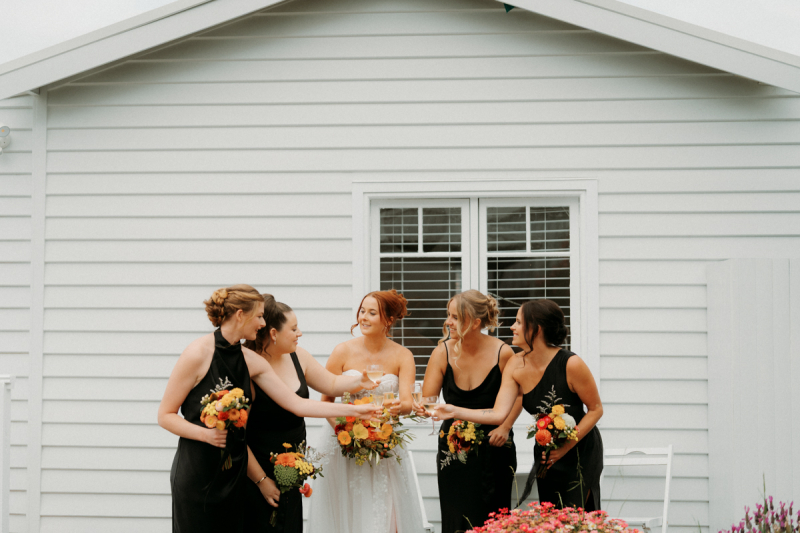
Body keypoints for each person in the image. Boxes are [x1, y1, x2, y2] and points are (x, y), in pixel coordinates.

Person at [158, 285, 380, 533]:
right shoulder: (197, 353)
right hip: (198, 471)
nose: (263, 323)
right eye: (260, 316)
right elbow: (165, 415)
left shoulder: (252, 361)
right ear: (240, 315)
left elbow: (297, 404)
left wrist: (357, 412)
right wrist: (205, 434)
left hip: (235, 477)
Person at [433, 299, 604, 510]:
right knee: (552, 515)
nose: (512, 327)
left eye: (518, 322)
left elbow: (596, 409)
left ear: (536, 329)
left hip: (580, 448)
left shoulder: (571, 363)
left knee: (578, 514)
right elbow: (497, 414)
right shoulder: (515, 363)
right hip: (545, 451)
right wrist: (453, 410)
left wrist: (567, 445)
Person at [242, 295, 379, 533]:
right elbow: (238, 437)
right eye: (294, 329)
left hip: (293, 464)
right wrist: (262, 481)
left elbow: (332, 383)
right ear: (273, 333)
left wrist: (359, 381)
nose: (300, 333)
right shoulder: (248, 366)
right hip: (257, 467)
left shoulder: (298, 356)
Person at [306, 289, 426, 533]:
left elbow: (405, 404)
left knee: (384, 507)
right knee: (346, 507)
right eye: (362, 311)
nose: (364, 317)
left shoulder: (403, 355)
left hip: (384, 443)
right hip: (342, 443)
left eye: (372, 313)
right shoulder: (342, 351)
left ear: (389, 320)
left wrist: (393, 411)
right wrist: (344, 430)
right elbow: (326, 401)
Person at [418, 290, 520, 533]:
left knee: (495, 519)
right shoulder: (441, 351)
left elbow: (518, 394)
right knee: (457, 518)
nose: (448, 322)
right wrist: (422, 408)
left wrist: (505, 427)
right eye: (448, 315)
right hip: (454, 449)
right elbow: (428, 402)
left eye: (455, 317)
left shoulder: (503, 352)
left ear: (475, 323)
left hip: (495, 446)